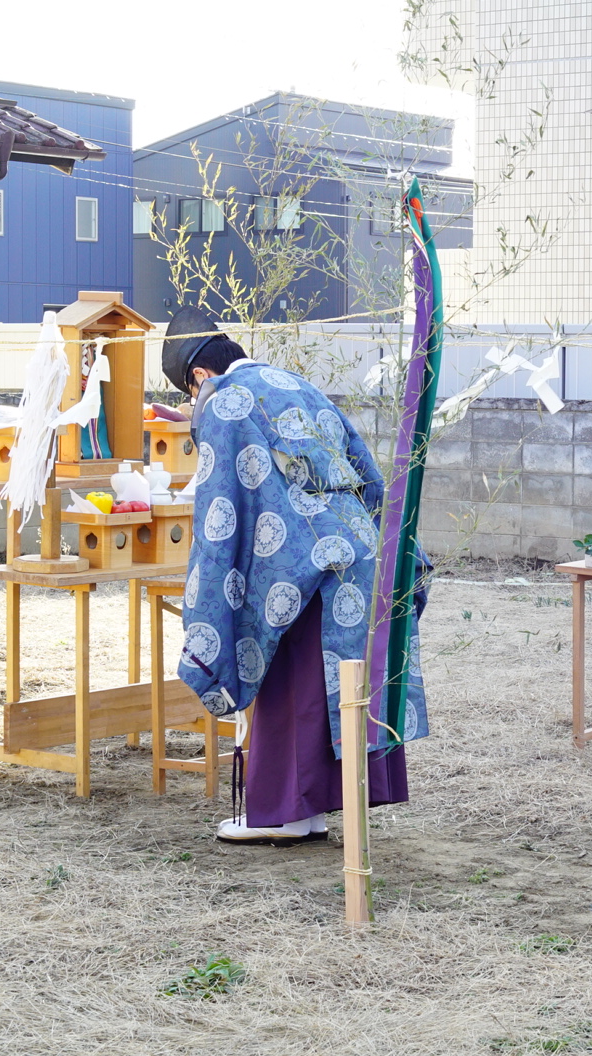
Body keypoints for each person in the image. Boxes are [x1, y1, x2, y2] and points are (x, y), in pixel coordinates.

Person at [161, 306, 430, 846]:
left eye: (191, 395)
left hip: (302, 565)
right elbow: (364, 468)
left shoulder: (223, 404)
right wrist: (397, 547)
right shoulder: (294, 383)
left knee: (293, 685)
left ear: (198, 376)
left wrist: (210, 595)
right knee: (334, 685)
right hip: (358, 549)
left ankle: (283, 814)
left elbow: (222, 510)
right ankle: (312, 812)